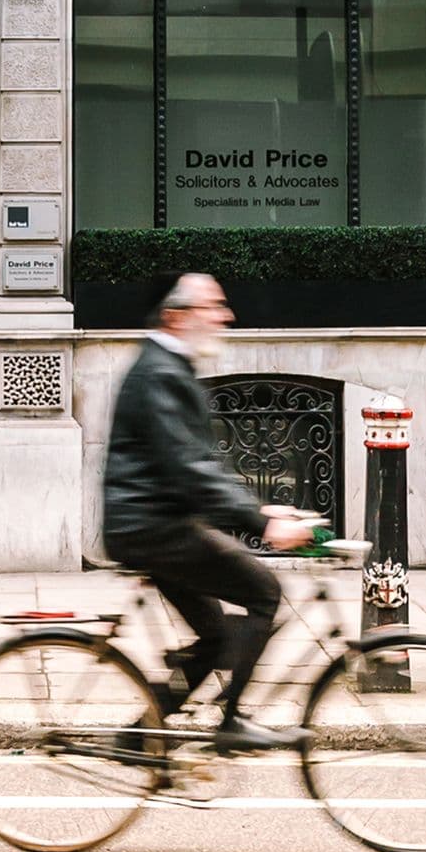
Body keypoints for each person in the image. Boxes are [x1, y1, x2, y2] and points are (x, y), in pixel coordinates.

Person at [101, 272, 315, 752]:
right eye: (213, 306)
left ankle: (138, 738)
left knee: (217, 637)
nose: (226, 316)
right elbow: (190, 468)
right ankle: (233, 721)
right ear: (177, 316)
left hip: (154, 523)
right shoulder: (161, 372)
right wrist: (262, 523)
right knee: (264, 590)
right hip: (153, 526)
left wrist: (257, 508)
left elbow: (195, 466)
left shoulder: (167, 366)